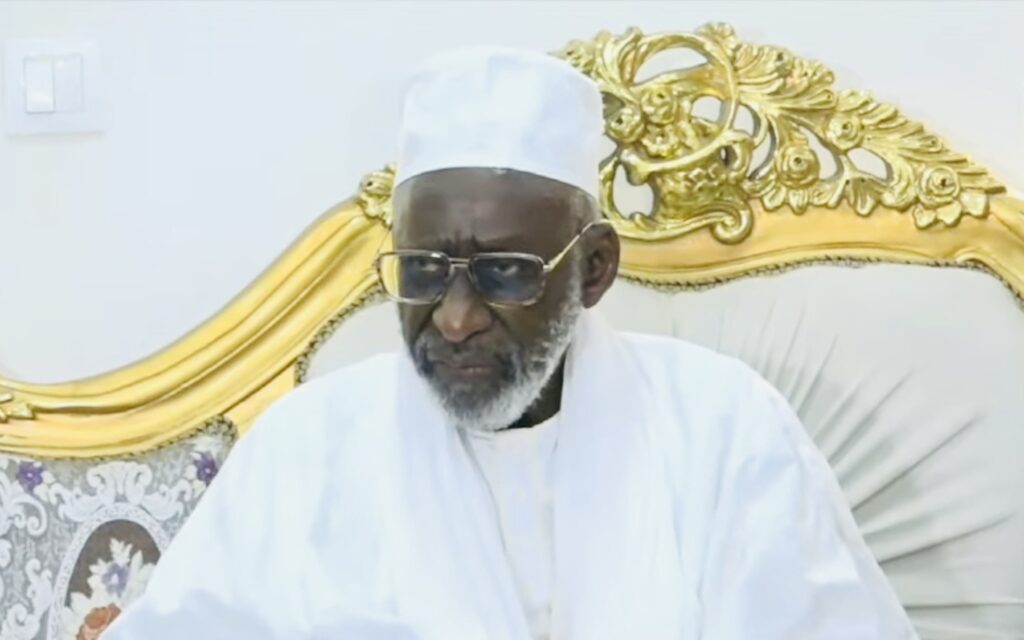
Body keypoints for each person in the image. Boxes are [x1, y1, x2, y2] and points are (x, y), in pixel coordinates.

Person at [106, 47, 918, 640]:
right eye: (423, 270)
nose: (455, 318)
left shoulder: (724, 429)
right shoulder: (305, 452)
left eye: (503, 273)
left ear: (594, 269)